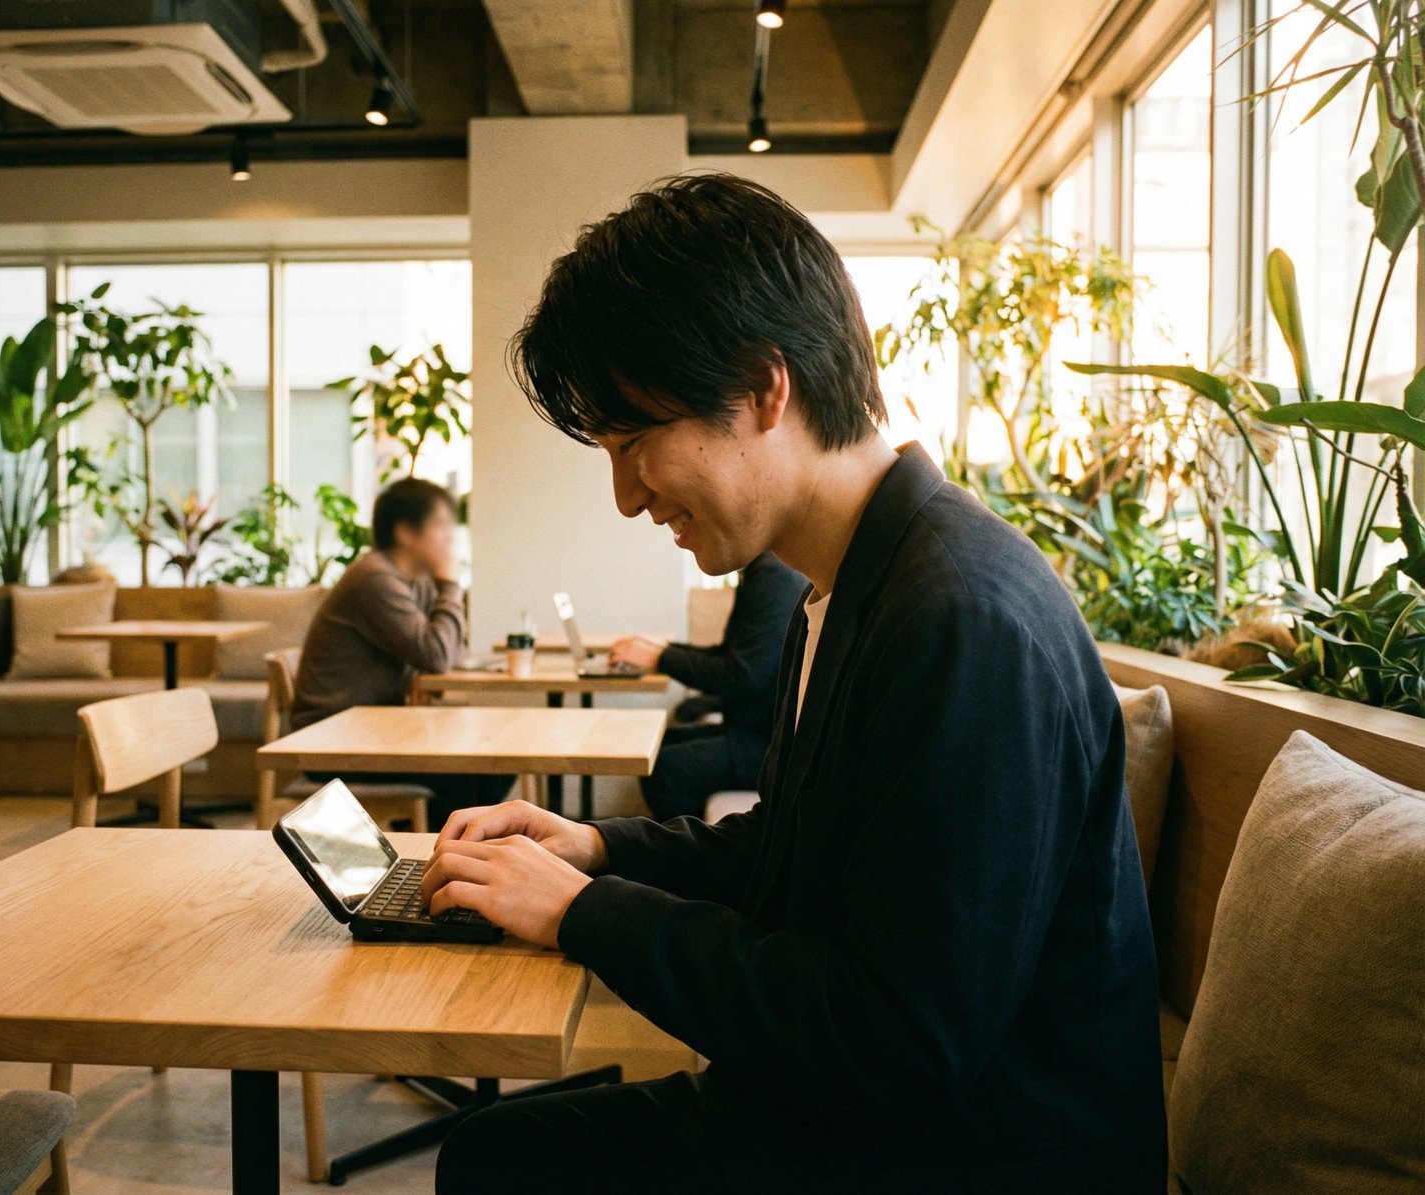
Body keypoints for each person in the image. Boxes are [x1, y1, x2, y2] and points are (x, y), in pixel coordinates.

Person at [419, 174, 1165, 1193]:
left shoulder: (959, 617)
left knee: (504, 1161)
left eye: (635, 442)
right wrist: (592, 845)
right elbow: (796, 845)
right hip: (882, 1120)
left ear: (765, 388)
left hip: (970, 1152)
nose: (627, 495)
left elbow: (895, 1042)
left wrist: (583, 911)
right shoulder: (858, 583)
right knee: (503, 1153)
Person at [291, 477, 512, 828]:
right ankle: (443, 856)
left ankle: (449, 851)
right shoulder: (375, 578)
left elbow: (449, 658)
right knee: (471, 771)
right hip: (332, 739)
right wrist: (452, 585)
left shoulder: (416, 581)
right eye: (440, 526)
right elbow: (438, 656)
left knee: (496, 762)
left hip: (377, 730)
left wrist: (440, 606)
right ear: (406, 533)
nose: (450, 538)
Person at [609, 552, 806, 821]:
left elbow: (743, 674)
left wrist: (661, 658)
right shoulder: (763, 571)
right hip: (754, 730)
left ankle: (695, 854)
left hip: (767, 745)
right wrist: (661, 651)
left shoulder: (773, 577)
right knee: (659, 745)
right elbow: (730, 655)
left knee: (663, 770)